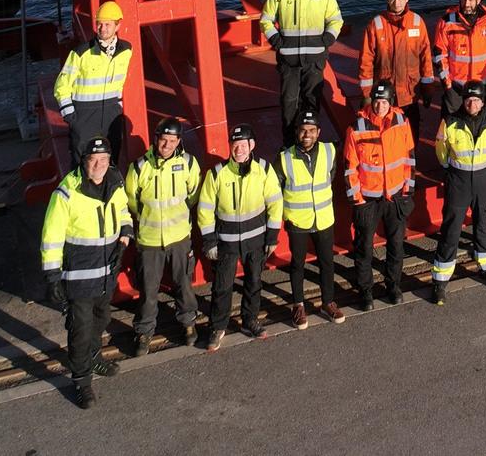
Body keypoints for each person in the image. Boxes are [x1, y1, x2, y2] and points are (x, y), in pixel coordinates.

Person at [39, 135, 131, 409]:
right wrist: (52, 276)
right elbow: (51, 237)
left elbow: (124, 211)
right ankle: (81, 382)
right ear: (84, 162)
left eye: (104, 160)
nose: (99, 165)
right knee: (80, 329)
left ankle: (93, 357)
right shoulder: (67, 193)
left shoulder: (114, 183)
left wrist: (125, 236)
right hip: (79, 276)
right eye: (94, 160)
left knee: (101, 319)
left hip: (106, 272)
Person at [194, 124, 282, 350]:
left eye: (243, 145)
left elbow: (275, 202)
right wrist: (210, 240)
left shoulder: (263, 169)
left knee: (253, 282)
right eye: (235, 145)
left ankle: (250, 320)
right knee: (222, 287)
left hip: (256, 240)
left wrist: (272, 237)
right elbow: (204, 209)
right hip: (227, 242)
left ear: (252, 145)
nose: (239, 149)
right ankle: (217, 326)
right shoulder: (217, 173)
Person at [122, 117, 201, 354]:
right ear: (156, 139)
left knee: (183, 284)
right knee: (148, 290)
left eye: (172, 140)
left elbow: (193, 194)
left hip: (179, 237)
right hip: (150, 240)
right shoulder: (138, 168)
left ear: (178, 141)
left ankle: (188, 324)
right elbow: (131, 201)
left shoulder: (188, 163)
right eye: (163, 140)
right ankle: (144, 332)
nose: (167, 145)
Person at [259, 0, 343, 142]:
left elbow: (336, 19)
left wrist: (328, 39)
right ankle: (289, 143)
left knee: (311, 102)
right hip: (289, 61)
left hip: (314, 61)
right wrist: (276, 40)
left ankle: (309, 142)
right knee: (289, 102)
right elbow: (265, 19)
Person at [430, 80, 486, 303]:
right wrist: (455, 169)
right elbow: (441, 153)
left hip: (483, 178)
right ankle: (440, 280)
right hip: (459, 180)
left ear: (483, 102)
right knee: (451, 228)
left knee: (482, 224)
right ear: (463, 101)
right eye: (468, 99)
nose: (472, 103)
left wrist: (480, 167)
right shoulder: (450, 123)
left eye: (476, 100)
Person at [344, 80, 416, 308]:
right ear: (371, 102)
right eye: (377, 102)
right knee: (364, 247)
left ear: (391, 102)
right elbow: (349, 169)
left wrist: (407, 191)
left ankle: (393, 285)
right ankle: (365, 291)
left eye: (384, 102)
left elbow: (409, 159)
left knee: (396, 245)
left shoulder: (402, 122)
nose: (380, 106)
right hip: (368, 200)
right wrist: (358, 201)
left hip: (395, 197)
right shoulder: (356, 128)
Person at [277, 106, 343, 327]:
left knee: (327, 262)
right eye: (303, 130)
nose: (307, 135)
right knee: (298, 264)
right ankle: (298, 306)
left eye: (311, 130)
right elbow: (277, 190)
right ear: (297, 132)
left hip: (323, 217)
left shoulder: (329, 151)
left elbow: (330, 176)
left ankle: (328, 302)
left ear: (318, 132)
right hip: (298, 220)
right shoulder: (284, 158)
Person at [53, 0, 132, 162]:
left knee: (111, 159)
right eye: (99, 24)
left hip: (112, 115)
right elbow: (61, 86)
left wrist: (118, 107)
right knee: (82, 162)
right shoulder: (81, 53)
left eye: (107, 24)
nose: (102, 29)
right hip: (84, 116)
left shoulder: (127, 50)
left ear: (118, 26)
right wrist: (72, 118)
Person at [358, 0, 437, 133]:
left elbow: (425, 57)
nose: (397, 3)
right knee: (385, 132)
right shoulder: (377, 24)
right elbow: (366, 60)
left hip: (410, 93)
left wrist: (428, 88)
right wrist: (367, 94)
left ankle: (411, 157)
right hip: (385, 95)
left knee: (411, 132)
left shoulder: (416, 22)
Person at [434, 0, 486, 111]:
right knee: (452, 126)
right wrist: (447, 84)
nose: (467, 4)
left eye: (471, 0)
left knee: (481, 127)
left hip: (481, 86)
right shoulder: (447, 22)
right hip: (456, 87)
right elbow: (439, 55)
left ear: (479, 0)